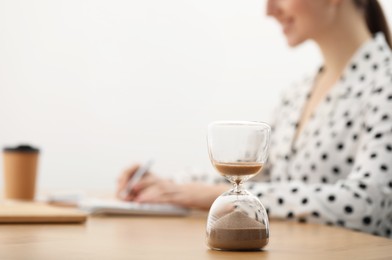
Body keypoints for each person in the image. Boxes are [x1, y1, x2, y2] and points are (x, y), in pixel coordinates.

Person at [117, 0, 392, 237]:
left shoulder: (385, 83)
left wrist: (211, 197)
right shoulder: (297, 93)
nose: (269, 10)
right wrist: (165, 185)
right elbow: (252, 174)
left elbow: (369, 204)